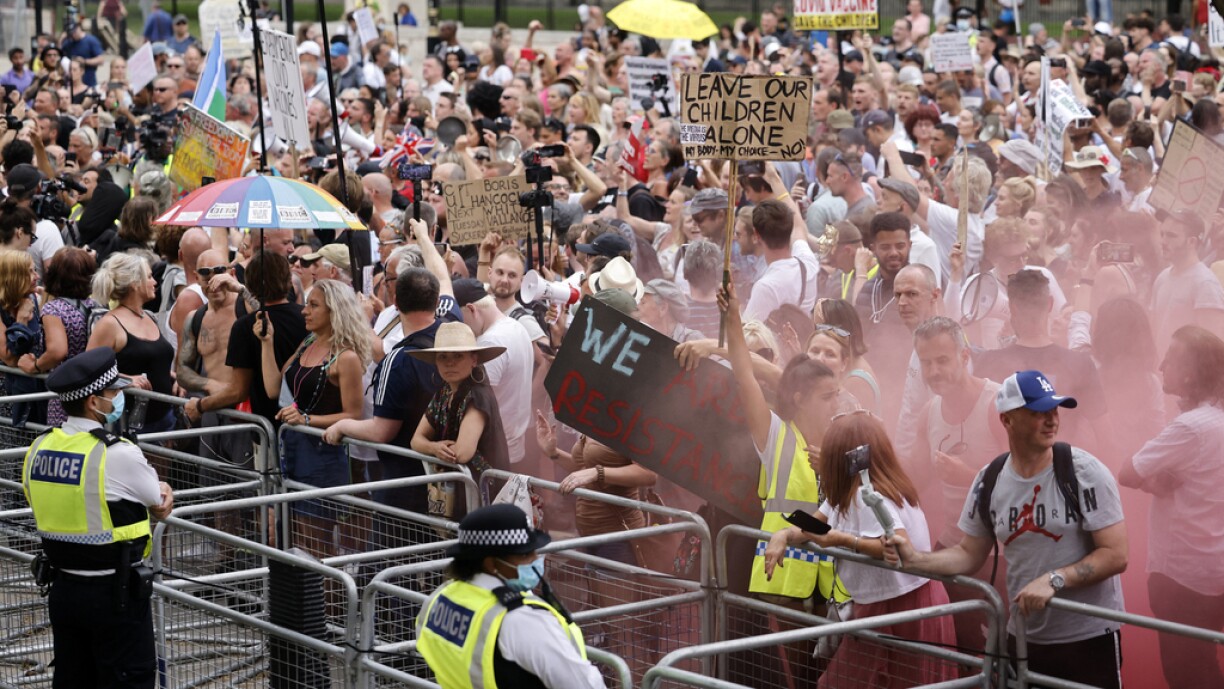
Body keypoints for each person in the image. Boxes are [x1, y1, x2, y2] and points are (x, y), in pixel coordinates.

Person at [887, 370, 1128, 689]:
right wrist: (913, 559)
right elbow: (967, 554)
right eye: (1037, 412)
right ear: (1007, 420)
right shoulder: (990, 479)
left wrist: (1055, 579)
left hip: (1088, 637)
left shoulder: (1084, 472)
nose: (1051, 420)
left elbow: (1116, 554)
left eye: (1054, 410)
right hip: (1023, 637)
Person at [763, 411, 958, 687]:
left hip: (905, 605)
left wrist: (842, 540)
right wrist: (782, 535)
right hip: (888, 602)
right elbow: (814, 527)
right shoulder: (848, 492)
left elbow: (898, 543)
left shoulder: (868, 495)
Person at [21, 347, 173, 688]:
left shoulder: (39, 448)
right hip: (114, 597)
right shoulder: (116, 453)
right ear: (93, 401)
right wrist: (165, 489)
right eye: (113, 392)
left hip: (63, 591)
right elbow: (157, 499)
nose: (119, 397)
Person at [1119, 326, 1224, 689]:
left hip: (1182, 578)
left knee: (1189, 676)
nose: (1161, 365)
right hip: (1216, 571)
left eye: (1171, 359)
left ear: (1191, 372)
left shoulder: (1191, 427)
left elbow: (1128, 471)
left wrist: (1152, 482)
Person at [415, 503, 606, 689]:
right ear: (491, 564)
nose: (535, 559)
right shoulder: (521, 620)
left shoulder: (440, 597)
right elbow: (582, 683)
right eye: (525, 555)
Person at [258, 279, 369, 556]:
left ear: (335, 311)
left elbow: (354, 415)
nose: (304, 311)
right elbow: (274, 388)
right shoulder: (308, 342)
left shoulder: (346, 358)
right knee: (293, 539)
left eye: (313, 305)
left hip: (322, 457)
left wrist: (307, 420)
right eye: (307, 303)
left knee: (316, 546)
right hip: (292, 450)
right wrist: (267, 343)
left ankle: (331, 600)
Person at [409, 321, 510, 514]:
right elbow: (416, 440)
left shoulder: (478, 396)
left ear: (474, 359)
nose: (450, 362)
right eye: (443, 356)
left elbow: (462, 452)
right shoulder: (443, 393)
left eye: (458, 355)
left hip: (483, 495)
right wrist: (434, 447)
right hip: (458, 492)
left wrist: (433, 448)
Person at [87, 253, 178, 433]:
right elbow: (89, 370)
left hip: (165, 419)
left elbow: (152, 360)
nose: (155, 282)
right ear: (135, 284)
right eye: (150, 277)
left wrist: (174, 378)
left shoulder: (149, 316)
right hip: (130, 425)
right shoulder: (110, 324)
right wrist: (124, 379)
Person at [22, 248, 98, 426]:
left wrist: (35, 366)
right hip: (94, 389)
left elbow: (57, 351)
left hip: (66, 393)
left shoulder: (54, 309)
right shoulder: (95, 306)